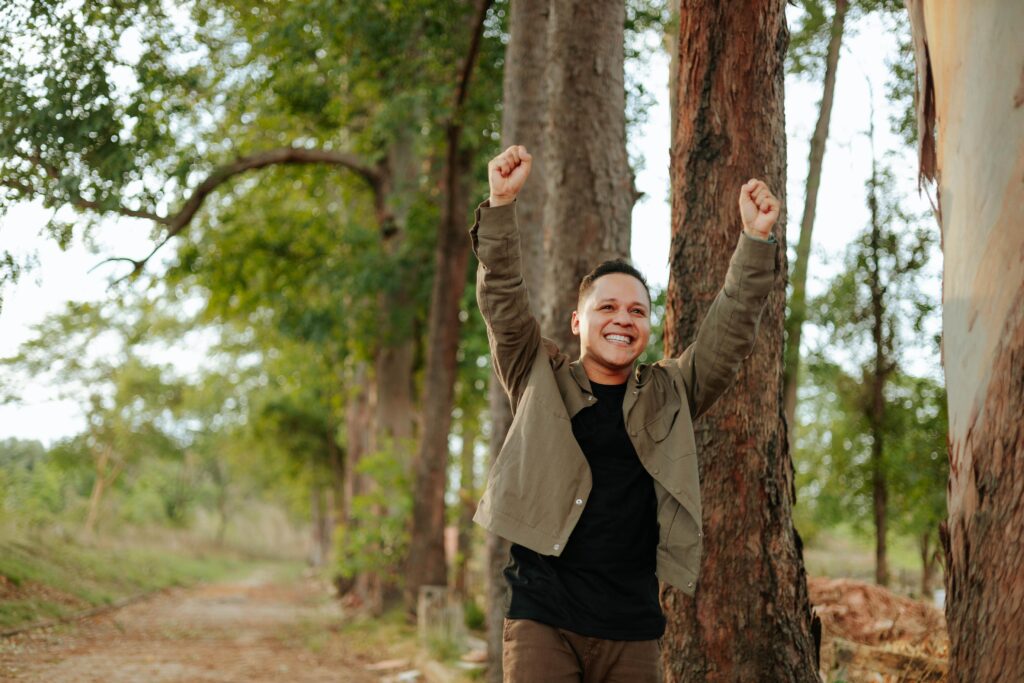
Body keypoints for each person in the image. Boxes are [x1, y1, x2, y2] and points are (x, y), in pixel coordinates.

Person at [471, 145, 780, 682]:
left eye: (637, 309)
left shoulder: (673, 391)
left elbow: (729, 332)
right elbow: (501, 298)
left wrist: (754, 242)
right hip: (543, 620)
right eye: (607, 307)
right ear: (577, 322)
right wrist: (500, 205)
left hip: (633, 630)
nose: (623, 319)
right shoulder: (536, 373)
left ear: (648, 327)